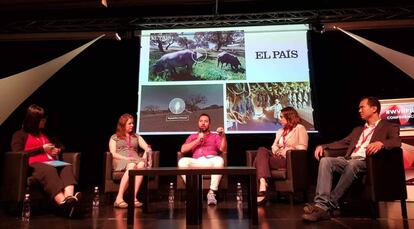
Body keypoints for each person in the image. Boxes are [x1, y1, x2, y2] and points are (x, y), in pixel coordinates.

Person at [302, 97, 401, 222]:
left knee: (354, 163)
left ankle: (327, 205)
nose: (359, 110)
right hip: (349, 160)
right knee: (326, 161)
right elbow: (342, 143)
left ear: (374, 109)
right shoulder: (358, 130)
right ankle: (321, 204)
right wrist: (323, 146)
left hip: (369, 162)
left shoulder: (389, 126)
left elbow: (396, 141)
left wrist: (381, 143)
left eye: (362, 107)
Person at [11, 104, 81, 218]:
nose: (44, 122)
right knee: (49, 170)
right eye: (42, 120)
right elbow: (17, 154)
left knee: (66, 166)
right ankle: (63, 204)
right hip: (33, 165)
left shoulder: (44, 133)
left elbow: (60, 145)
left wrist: (57, 150)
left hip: (50, 162)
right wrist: (41, 149)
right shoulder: (20, 135)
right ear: (34, 121)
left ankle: (69, 199)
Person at [253, 107, 308, 205]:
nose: (279, 119)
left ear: (289, 117)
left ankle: (262, 190)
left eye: (282, 117)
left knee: (258, 160)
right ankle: (262, 181)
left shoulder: (299, 128)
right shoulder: (280, 131)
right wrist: (277, 150)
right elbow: (274, 145)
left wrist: (289, 149)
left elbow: (303, 147)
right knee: (262, 149)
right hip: (277, 157)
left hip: (289, 160)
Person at [178, 113, 227, 206]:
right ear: (198, 123)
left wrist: (223, 136)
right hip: (196, 161)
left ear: (209, 124)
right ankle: (194, 191)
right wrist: (197, 140)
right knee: (182, 162)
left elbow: (223, 150)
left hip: (210, 160)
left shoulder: (215, 136)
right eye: (201, 121)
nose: (203, 123)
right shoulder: (192, 136)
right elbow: (183, 149)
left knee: (220, 160)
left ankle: (211, 193)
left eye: (206, 121)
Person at [109, 113, 152, 209]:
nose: (132, 125)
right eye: (130, 123)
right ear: (123, 125)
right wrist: (126, 159)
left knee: (141, 164)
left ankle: (133, 197)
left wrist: (145, 157)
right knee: (132, 165)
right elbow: (113, 153)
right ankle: (119, 198)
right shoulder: (114, 137)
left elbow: (147, 148)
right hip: (120, 159)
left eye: (133, 123)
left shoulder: (136, 137)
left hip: (135, 158)